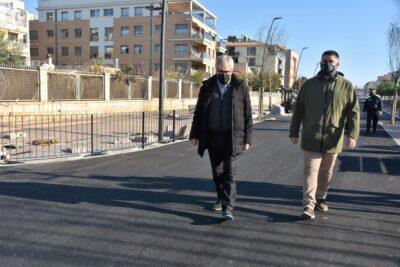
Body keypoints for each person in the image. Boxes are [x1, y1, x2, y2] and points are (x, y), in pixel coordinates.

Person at [289, 50, 360, 220]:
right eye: (324, 61)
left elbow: (353, 112)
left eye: (330, 61)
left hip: (333, 139)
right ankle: (308, 206)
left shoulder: (346, 86)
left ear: (337, 64)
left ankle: (321, 197)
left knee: (326, 172)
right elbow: (298, 109)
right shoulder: (309, 85)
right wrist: (294, 131)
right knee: (310, 171)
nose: (326, 63)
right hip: (311, 136)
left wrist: (352, 134)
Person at [189, 55, 253, 221]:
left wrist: (248, 139)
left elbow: (248, 116)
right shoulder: (207, 87)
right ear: (215, 70)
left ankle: (227, 208)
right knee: (217, 171)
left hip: (232, 137)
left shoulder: (241, 88)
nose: (224, 74)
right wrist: (194, 134)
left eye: (227, 71)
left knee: (229, 173)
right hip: (212, 136)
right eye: (221, 71)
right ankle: (220, 198)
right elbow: (199, 112)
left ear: (232, 71)